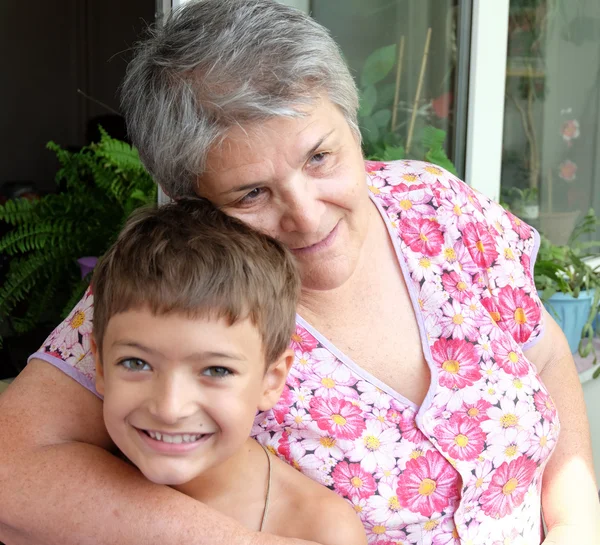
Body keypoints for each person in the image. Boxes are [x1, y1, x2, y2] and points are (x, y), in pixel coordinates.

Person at [0, 1, 598, 544]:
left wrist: (576, 522)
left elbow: (543, 356)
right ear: (192, 203)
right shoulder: (173, 297)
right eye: (251, 193)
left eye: (320, 157)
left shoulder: (437, 206)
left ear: (351, 122)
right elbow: (11, 468)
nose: (307, 217)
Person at [89, 198, 366, 544]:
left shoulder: (321, 530)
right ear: (99, 364)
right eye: (136, 363)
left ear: (272, 380)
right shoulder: (63, 496)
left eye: (216, 370)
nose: (170, 408)